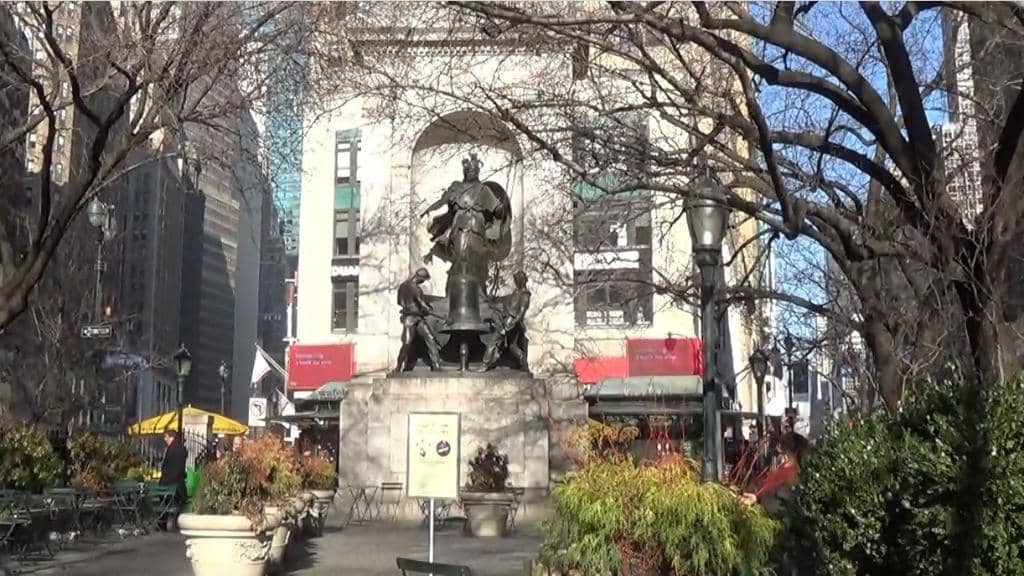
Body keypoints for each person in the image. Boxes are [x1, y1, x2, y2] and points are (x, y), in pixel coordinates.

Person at [739, 431, 808, 516]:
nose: (782, 457)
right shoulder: (787, 470)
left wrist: (757, 499)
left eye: (784, 451)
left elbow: (779, 503)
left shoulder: (791, 474)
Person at [394, 268, 443, 372]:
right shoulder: (415, 288)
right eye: (423, 280)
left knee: (429, 338)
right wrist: (428, 309)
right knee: (409, 342)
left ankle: (436, 365)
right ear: (419, 278)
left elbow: (400, 302)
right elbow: (421, 303)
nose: (423, 282)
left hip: (417, 318)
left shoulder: (402, 286)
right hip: (411, 318)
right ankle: (398, 366)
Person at [481, 270, 531, 371]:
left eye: (516, 280)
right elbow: (509, 305)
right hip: (507, 320)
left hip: (510, 323)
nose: (515, 282)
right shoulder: (516, 292)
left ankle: (484, 365)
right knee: (513, 346)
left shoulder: (525, 295)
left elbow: (521, 313)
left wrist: (510, 324)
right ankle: (524, 365)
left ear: (521, 281)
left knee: (493, 342)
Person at [159, 429, 188, 528]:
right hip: (178, 482)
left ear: (172, 437)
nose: (165, 439)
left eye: (166, 437)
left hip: (167, 482)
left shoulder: (170, 449)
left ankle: (162, 523)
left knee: (165, 502)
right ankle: (177, 522)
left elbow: (166, 466)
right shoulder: (182, 449)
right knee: (181, 502)